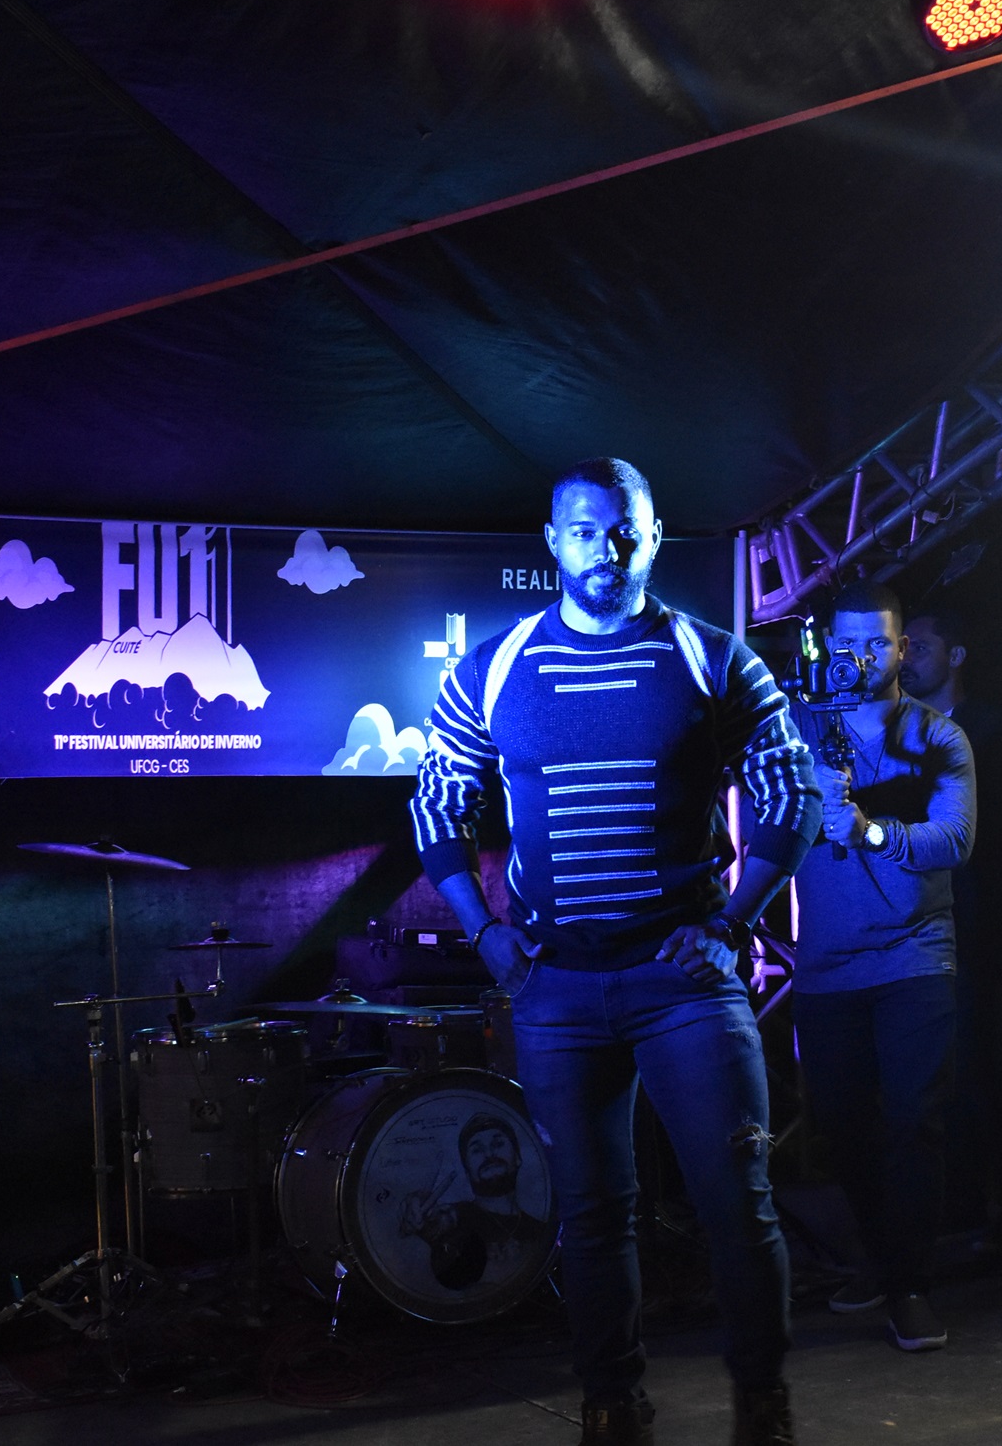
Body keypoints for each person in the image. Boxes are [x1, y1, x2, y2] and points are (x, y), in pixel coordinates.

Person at [410, 457, 821, 1446]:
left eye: (627, 527)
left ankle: (762, 1403)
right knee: (590, 1216)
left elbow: (792, 790)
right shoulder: (494, 667)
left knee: (737, 1205)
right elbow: (438, 804)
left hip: (685, 986)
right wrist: (485, 932)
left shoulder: (712, 657)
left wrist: (732, 921)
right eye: (588, 529)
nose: (611, 547)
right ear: (554, 541)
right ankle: (611, 1404)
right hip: (554, 989)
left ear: (654, 533)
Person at [790, 582, 975, 1353]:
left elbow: (954, 839)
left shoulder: (938, 737)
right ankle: (879, 1257)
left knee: (911, 1122)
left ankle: (911, 1286)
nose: (859, 657)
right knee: (842, 1128)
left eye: (875, 642)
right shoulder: (799, 728)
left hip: (913, 955)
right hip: (826, 963)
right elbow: (764, 820)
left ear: (900, 648)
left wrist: (870, 829)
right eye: (847, 642)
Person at [898, 608, 1002, 1255]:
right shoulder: (901, 732)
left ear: (958, 654)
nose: (907, 657)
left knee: (981, 1071)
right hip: (922, 928)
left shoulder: (992, 731)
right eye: (903, 645)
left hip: (977, 929)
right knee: (938, 1074)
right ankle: (959, 1204)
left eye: (921, 645)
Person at [398, 1113, 552, 1291]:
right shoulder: (455, 1217)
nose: (489, 1154)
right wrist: (414, 1209)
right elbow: (430, 1225)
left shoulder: (541, 1231)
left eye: (498, 1143)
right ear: (467, 1170)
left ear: (517, 1157)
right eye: (477, 1150)